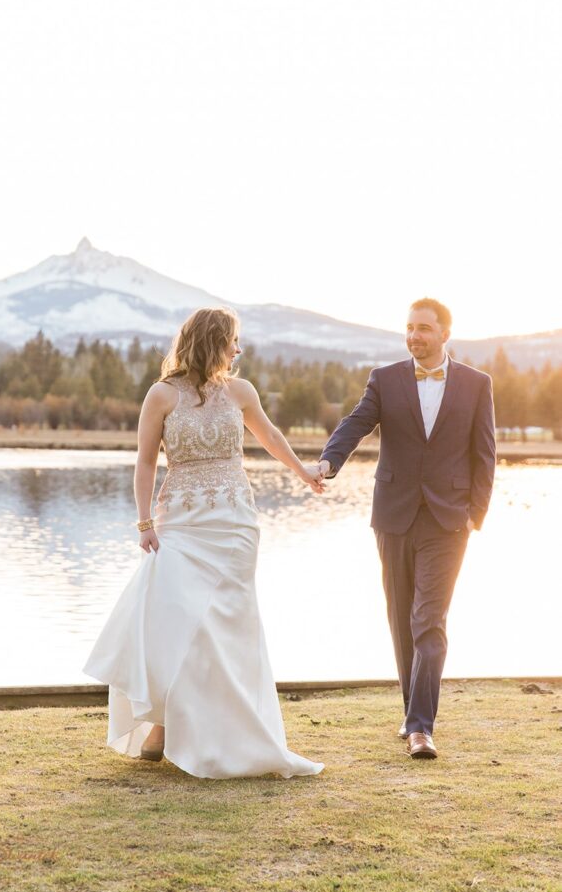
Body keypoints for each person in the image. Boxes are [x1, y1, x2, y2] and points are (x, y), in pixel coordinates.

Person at [83, 306, 325, 779]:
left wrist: (304, 472)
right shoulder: (161, 395)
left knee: (227, 630)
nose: (240, 349)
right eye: (234, 340)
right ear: (214, 341)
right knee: (177, 623)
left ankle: (208, 732)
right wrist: (143, 521)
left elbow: (270, 435)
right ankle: (164, 723)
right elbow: (146, 463)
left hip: (234, 522)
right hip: (181, 524)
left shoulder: (241, 391)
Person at [308, 298, 496, 759]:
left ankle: (419, 728)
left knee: (428, 620)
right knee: (400, 617)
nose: (415, 336)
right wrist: (329, 461)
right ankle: (412, 709)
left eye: (425, 329)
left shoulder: (477, 384)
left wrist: (477, 511)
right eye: (410, 328)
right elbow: (356, 423)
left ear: (445, 334)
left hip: (449, 520)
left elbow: (485, 451)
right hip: (393, 514)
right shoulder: (385, 379)